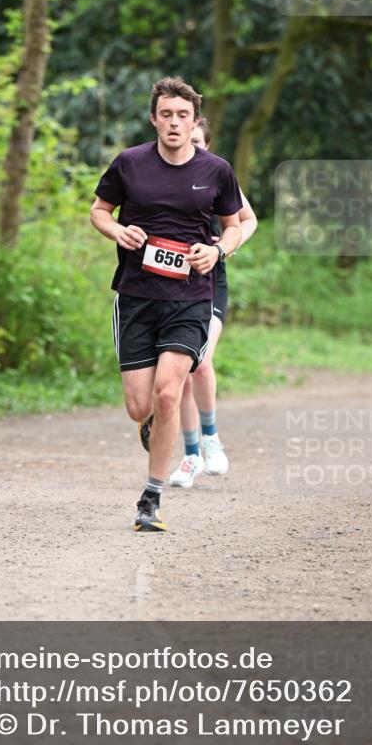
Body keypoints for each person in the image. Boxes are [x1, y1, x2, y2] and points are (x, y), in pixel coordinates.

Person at [90, 76, 243, 532]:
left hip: (190, 299)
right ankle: (156, 423)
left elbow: (235, 225)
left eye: (183, 116)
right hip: (137, 297)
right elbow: (99, 211)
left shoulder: (217, 170)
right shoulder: (129, 163)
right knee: (141, 407)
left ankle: (150, 499)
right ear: (154, 119)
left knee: (169, 392)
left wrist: (217, 252)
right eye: (166, 115)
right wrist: (118, 230)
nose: (174, 123)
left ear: (195, 122)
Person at [169, 117, 258, 489]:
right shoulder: (160, 175)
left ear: (207, 145)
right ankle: (190, 456)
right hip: (169, 283)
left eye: (198, 142)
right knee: (180, 374)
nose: (190, 146)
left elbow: (248, 220)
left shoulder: (218, 176)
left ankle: (210, 437)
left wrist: (224, 247)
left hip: (209, 280)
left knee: (201, 362)